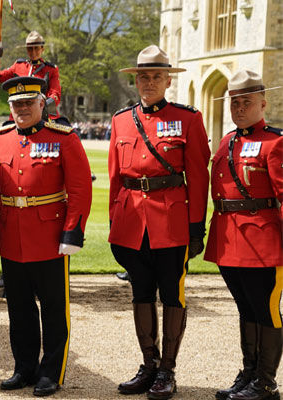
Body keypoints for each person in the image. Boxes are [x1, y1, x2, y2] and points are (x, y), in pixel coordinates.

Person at [108, 45, 210, 399]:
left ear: (168, 80)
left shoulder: (188, 119)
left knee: (172, 295)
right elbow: (115, 176)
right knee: (140, 293)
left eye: (156, 76)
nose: (149, 82)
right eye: (143, 76)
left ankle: (168, 369)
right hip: (132, 222)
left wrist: (197, 228)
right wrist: (114, 224)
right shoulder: (121, 119)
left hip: (171, 223)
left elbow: (198, 176)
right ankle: (148, 364)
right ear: (136, 80)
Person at [0, 76, 92, 396]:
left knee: (53, 309)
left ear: (41, 104)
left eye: (28, 103)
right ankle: (24, 367)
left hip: (50, 237)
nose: (22, 109)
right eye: (16, 104)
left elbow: (79, 188)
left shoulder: (63, 137)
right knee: (19, 309)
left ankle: (52, 372)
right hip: (12, 238)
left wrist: (73, 231)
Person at [204, 70, 283, 400]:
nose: (238, 107)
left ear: (263, 103)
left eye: (246, 102)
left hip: (262, 242)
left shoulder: (276, 142)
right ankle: (248, 373)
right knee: (246, 309)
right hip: (229, 240)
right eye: (234, 102)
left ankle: (266, 382)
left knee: (265, 310)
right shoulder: (227, 141)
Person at [0, 31, 62, 117]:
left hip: (43, 114)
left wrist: (42, 106)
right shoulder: (18, 66)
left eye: (36, 48)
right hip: (20, 113)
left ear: (42, 49)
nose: (33, 52)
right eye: (30, 49)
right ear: (26, 49)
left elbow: (55, 94)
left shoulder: (51, 69)